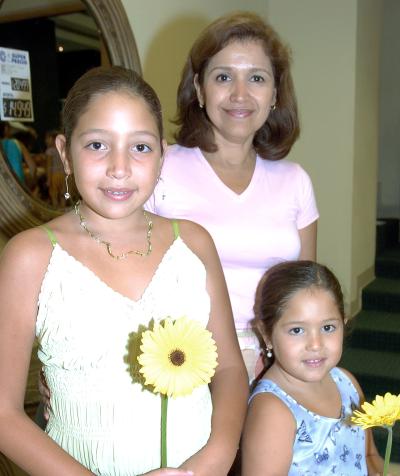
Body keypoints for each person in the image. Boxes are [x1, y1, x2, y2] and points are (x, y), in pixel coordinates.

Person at [0, 65, 248, 476]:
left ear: (162, 154)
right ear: (65, 152)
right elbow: (5, 413)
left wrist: (213, 460)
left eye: (141, 147)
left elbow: (229, 368)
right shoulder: (31, 255)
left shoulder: (194, 243)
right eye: (97, 145)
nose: (119, 167)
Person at [147, 11, 319, 380]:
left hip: (274, 362)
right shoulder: (160, 167)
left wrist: (277, 362)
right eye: (223, 77)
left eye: (256, 78)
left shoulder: (295, 181)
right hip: (180, 362)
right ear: (199, 88)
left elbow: (304, 297)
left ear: (275, 93)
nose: (239, 94)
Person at [241, 260, 384, 476]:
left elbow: (369, 455)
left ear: (343, 325)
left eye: (328, 327)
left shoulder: (348, 385)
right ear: (266, 334)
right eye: (297, 330)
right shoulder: (273, 411)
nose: (316, 344)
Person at [0, 120, 36, 185]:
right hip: (18, 184)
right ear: (6, 129)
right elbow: (32, 166)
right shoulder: (17, 143)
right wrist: (31, 182)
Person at [45, 129, 67, 207]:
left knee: (54, 195)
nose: (46, 141)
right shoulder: (64, 151)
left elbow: (49, 166)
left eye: (47, 138)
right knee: (63, 195)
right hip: (64, 175)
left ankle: (57, 214)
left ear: (52, 139)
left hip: (54, 175)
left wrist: (48, 180)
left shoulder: (49, 151)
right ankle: (63, 212)